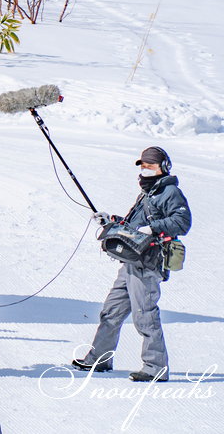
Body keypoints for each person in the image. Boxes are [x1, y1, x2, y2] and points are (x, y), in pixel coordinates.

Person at [71, 146, 191, 382]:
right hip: (131, 261)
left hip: (149, 263)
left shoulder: (170, 192)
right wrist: (111, 221)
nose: (146, 171)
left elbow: (182, 221)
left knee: (145, 314)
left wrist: (153, 228)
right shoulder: (148, 193)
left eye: (151, 166)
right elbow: (131, 225)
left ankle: (156, 367)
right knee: (111, 311)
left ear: (163, 167)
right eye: (143, 166)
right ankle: (100, 359)